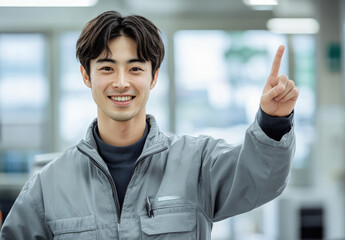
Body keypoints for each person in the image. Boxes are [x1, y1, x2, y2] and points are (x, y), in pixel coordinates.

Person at [0, 10, 298, 239]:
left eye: (135, 68)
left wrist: (273, 121)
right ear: (85, 75)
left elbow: (260, 180)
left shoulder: (198, 164)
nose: (121, 82)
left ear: (153, 77)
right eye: (106, 67)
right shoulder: (48, 185)